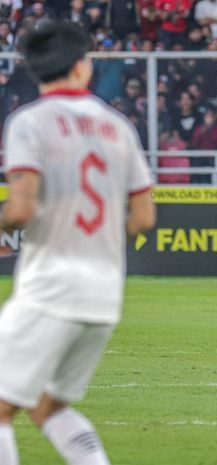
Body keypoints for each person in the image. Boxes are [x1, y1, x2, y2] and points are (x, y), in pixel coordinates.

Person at [0, 22, 155, 465]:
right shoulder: (118, 126)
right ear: (81, 67)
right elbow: (143, 217)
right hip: (105, 292)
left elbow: (21, 208)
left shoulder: (28, 123)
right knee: (48, 406)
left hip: (50, 286)